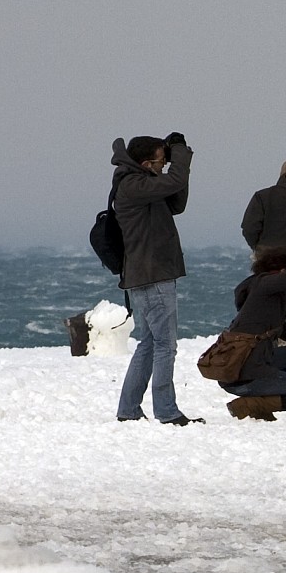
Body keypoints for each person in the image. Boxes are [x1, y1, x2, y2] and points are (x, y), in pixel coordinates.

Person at [110, 133, 199, 425]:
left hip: (147, 275)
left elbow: (176, 202)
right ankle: (167, 412)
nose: (164, 166)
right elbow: (174, 181)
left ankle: (128, 410)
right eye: (161, 162)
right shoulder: (133, 185)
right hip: (152, 276)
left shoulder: (142, 184)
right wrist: (180, 154)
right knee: (164, 345)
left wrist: (175, 160)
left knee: (149, 344)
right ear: (147, 163)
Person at [215, 247, 286, 419]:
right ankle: (251, 404)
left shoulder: (271, 300)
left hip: (247, 366)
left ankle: (260, 404)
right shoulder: (263, 285)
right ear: (282, 272)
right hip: (241, 372)